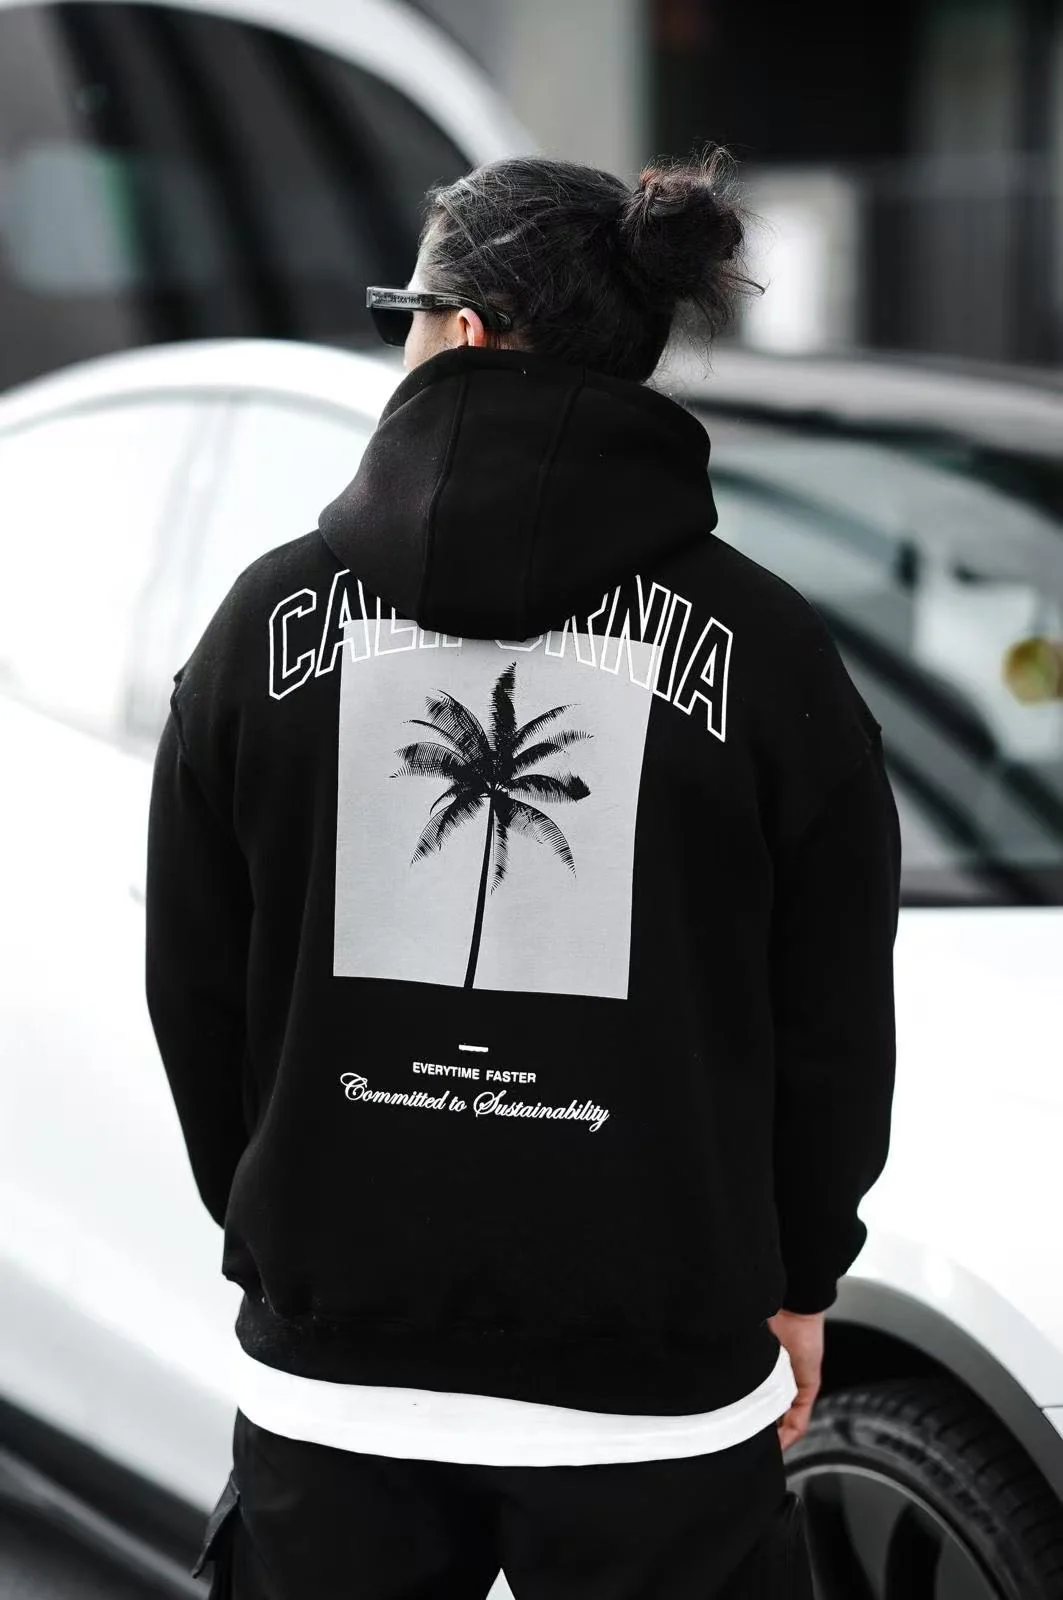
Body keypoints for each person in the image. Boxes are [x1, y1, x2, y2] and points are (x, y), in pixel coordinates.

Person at [146, 149, 900, 1599]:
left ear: (466, 329)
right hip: (660, 1387)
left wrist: (294, 1232)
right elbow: (829, 1020)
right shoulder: (768, 654)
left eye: (402, 316)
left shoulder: (262, 625)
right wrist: (802, 1273)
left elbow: (196, 985)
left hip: (337, 1379)